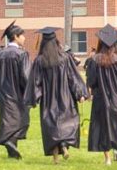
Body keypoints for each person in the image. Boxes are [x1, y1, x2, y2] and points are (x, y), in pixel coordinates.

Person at [27, 27, 87, 162]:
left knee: (51, 125)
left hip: (49, 99)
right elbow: (72, 77)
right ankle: (64, 145)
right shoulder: (65, 58)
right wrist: (80, 93)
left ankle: (55, 157)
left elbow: (36, 82)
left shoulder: (40, 61)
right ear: (56, 41)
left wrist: (34, 99)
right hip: (65, 96)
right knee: (66, 121)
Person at [84, 26, 117, 164]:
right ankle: (116, 149)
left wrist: (93, 91)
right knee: (116, 124)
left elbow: (92, 81)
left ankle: (107, 157)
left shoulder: (95, 60)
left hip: (101, 98)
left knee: (102, 126)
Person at [0, 23, 32, 159]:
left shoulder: (0, 54)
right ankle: (9, 142)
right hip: (19, 93)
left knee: (8, 119)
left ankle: (11, 150)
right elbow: (26, 76)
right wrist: (30, 91)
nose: (24, 38)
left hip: (4, 92)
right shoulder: (21, 54)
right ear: (15, 37)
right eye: (22, 36)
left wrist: (0, 89)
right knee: (22, 120)